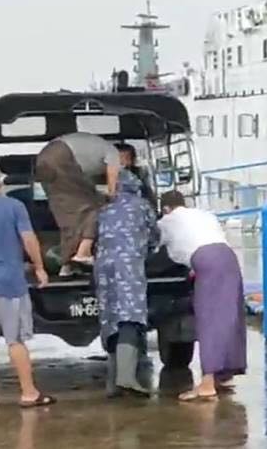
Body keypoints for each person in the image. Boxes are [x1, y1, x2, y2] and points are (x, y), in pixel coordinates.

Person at [0, 161, 56, 410]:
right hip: (9, 282)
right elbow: (28, 239)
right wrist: (39, 267)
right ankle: (29, 392)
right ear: (0, 180)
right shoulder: (14, 206)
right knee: (15, 339)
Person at [157, 190, 247, 402]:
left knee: (209, 320)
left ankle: (207, 385)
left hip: (207, 262)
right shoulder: (204, 215)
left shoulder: (167, 221)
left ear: (165, 208)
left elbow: (155, 246)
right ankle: (224, 375)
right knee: (229, 318)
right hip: (229, 258)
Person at [95, 169, 159, 396]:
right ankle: (126, 378)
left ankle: (113, 382)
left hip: (103, 267)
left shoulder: (105, 209)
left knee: (111, 318)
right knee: (129, 317)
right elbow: (155, 237)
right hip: (129, 267)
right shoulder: (142, 206)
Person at [35, 131, 120, 270]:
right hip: (62, 155)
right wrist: (112, 196)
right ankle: (83, 252)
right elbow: (112, 174)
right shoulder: (113, 151)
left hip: (44, 157)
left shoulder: (91, 155)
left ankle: (67, 264)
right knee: (94, 206)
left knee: (69, 214)